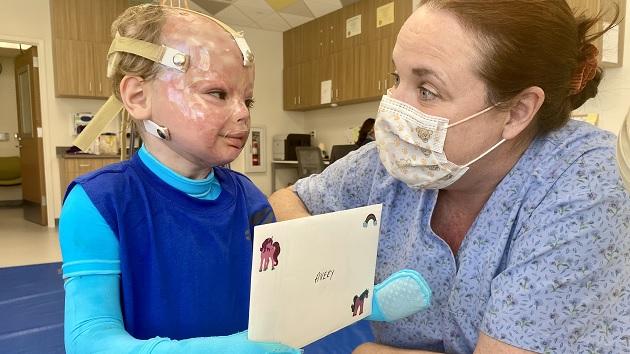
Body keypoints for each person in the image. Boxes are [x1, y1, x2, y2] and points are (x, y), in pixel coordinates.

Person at [59, 4, 431, 353]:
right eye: (217, 93)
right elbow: (89, 338)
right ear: (138, 96)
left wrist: (364, 299)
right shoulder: (100, 203)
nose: (241, 114)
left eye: (248, 100)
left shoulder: (247, 197)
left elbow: (286, 290)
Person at [269, 0, 630, 353]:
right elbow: (290, 200)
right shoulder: (391, 163)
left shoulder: (587, 182)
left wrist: (368, 350)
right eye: (397, 79)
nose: (394, 108)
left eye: (427, 91)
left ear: (517, 112)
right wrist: (335, 270)